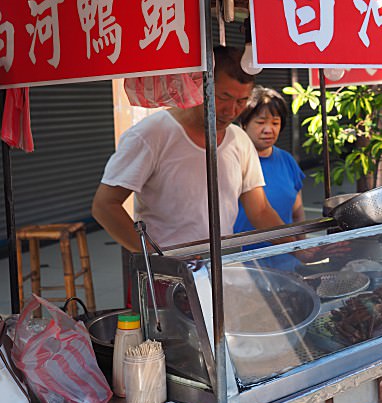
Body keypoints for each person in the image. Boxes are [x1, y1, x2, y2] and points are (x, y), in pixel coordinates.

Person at [92, 46, 287, 252]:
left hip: (224, 267)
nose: (231, 111)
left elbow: (260, 210)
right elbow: (105, 206)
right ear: (198, 86)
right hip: (170, 274)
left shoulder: (239, 139)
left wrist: (298, 246)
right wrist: (155, 256)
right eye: (223, 97)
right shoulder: (150, 135)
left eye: (241, 101)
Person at [233, 87, 306, 242]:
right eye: (260, 122)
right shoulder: (232, 162)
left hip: (286, 257)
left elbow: (297, 212)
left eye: (275, 123)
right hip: (243, 261)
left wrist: (303, 249)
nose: (269, 130)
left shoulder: (287, 160)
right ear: (244, 124)